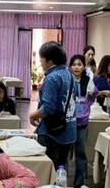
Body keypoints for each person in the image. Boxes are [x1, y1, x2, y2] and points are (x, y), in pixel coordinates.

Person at [29, 41, 77, 171]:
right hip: (69, 129)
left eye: (41, 59)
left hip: (52, 133)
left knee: (48, 170)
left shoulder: (52, 78)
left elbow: (48, 108)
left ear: (49, 61)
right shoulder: (70, 76)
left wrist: (32, 115)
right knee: (62, 169)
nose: (40, 63)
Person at [69, 54, 98, 188]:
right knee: (64, 153)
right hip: (68, 122)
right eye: (74, 64)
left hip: (82, 123)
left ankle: (80, 182)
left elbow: (93, 96)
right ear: (70, 67)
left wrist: (85, 105)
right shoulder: (67, 80)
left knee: (80, 152)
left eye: (79, 64)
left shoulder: (88, 81)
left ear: (84, 67)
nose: (76, 67)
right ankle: (61, 181)